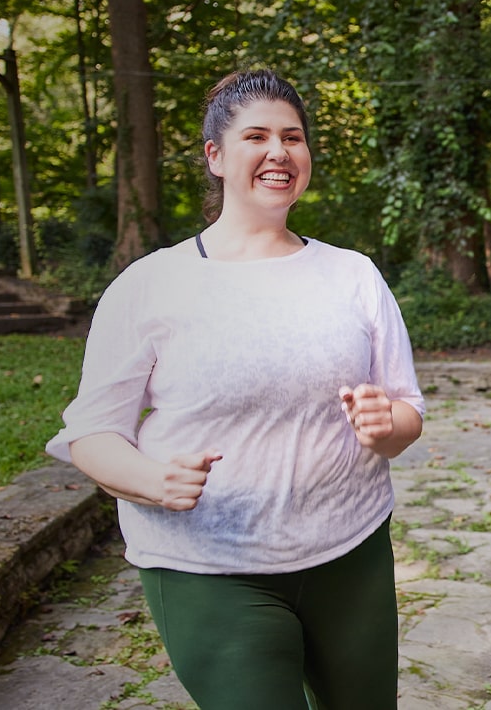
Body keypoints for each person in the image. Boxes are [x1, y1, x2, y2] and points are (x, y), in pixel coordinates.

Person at [46, 69, 424, 710]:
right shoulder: (151, 284)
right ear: (216, 156)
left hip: (349, 552)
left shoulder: (352, 275)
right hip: (206, 566)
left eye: (293, 138)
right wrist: (148, 478)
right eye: (257, 136)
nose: (279, 152)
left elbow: (407, 410)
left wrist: (387, 425)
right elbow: (92, 432)